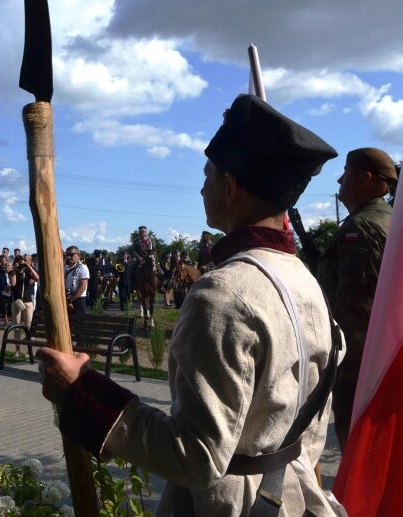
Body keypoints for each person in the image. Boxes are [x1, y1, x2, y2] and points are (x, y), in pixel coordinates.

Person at [37, 94, 346, 516]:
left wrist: (83, 391)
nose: (202, 187)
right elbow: (312, 428)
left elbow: (197, 456)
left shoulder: (222, 293)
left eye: (208, 176)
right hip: (295, 494)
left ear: (231, 188)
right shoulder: (306, 278)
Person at [316, 147, 397, 451]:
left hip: (360, 363)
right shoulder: (391, 219)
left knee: (358, 447)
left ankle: (360, 502)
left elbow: (353, 307)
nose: (338, 181)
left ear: (363, 178)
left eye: (345, 174)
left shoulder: (361, 229)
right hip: (385, 355)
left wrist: (339, 360)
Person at [9, 254, 39, 357]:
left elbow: (37, 278)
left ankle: (28, 350)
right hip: (17, 301)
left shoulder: (29, 271)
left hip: (28, 301)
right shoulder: (14, 271)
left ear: (30, 261)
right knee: (16, 325)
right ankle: (17, 350)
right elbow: (13, 283)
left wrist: (29, 267)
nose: (23, 263)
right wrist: (15, 270)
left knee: (28, 326)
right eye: (21, 261)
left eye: (25, 261)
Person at [64, 246, 89, 314]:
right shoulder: (65, 268)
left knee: (78, 323)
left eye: (71, 255)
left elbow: (82, 287)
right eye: (67, 255)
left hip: (78, 300)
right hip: (67, 299)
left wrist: (70, 301)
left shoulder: (82, 268)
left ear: (79, 255)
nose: (68, 257)